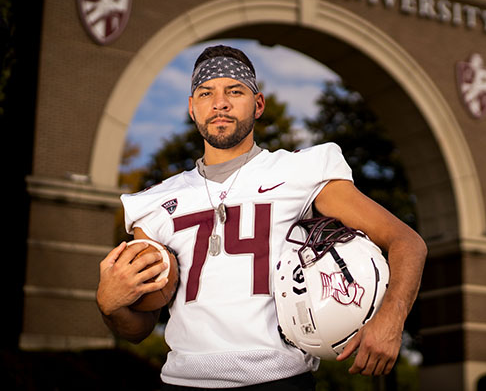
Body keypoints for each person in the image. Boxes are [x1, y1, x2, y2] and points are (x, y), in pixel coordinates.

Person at [96, 44, 428, 390]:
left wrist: (391, 319)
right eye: (206, 93)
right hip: (181, 382)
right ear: (192, 108)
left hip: (278, 379)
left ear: (258, 105)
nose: (219, 103)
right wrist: (110, 305)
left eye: (234, 91)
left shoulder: (302, 170)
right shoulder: (156, 202)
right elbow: (139, 328)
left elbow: (407, 242)